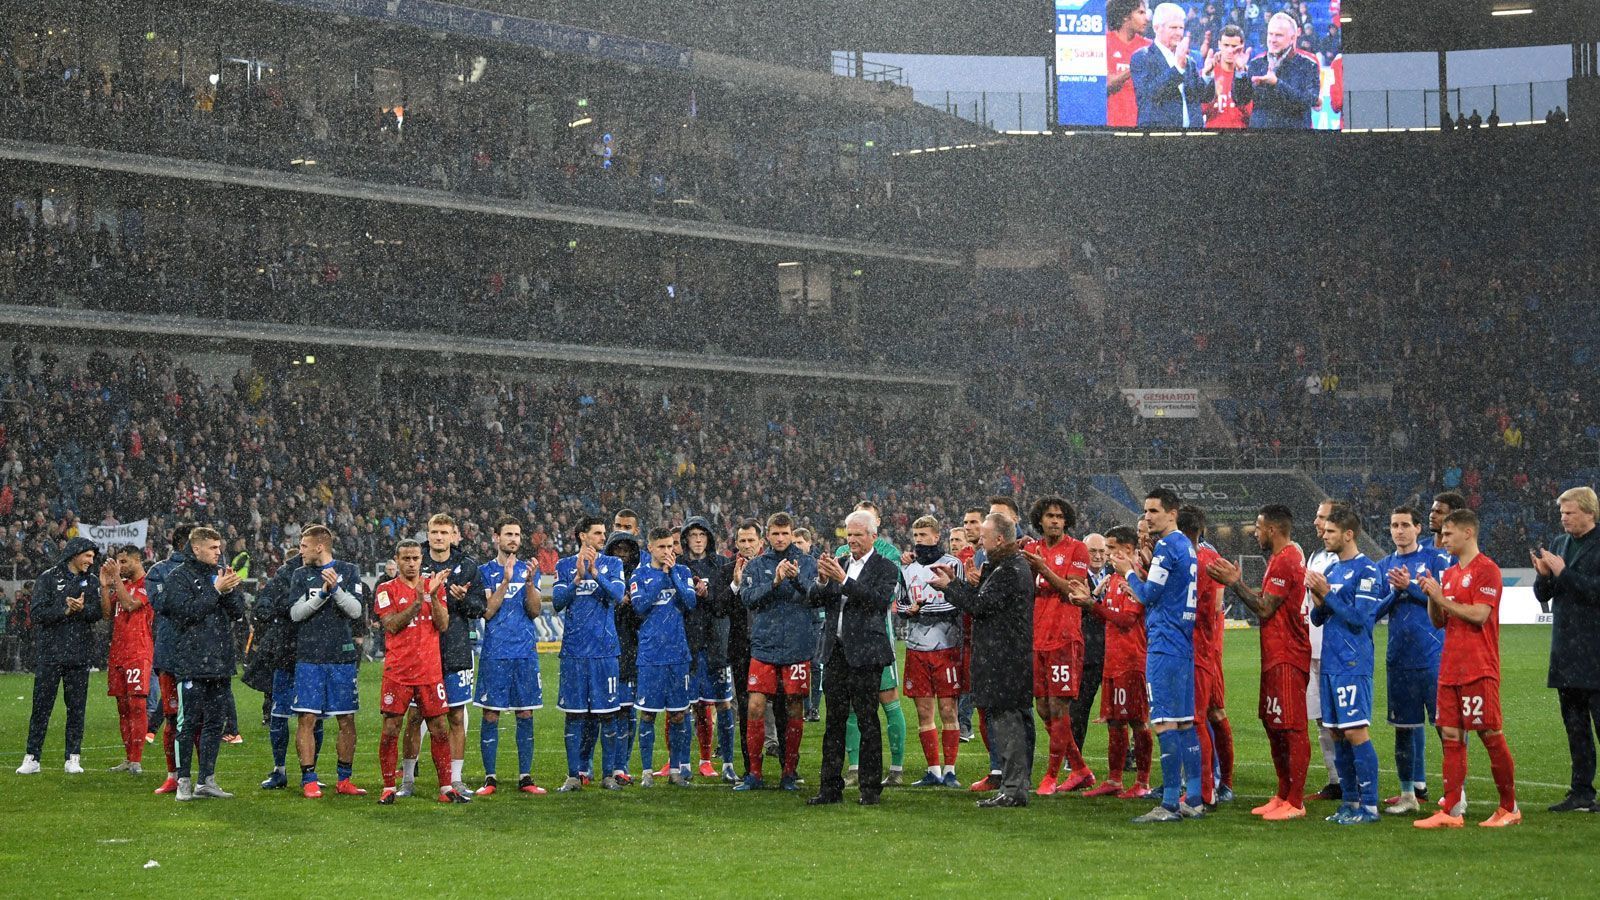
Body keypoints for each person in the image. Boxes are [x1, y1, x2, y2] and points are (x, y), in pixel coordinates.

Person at [1415, 510, 1521, 828]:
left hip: (1478, 666)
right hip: (1450, 667)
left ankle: (1509, 808)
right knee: (1450, 735)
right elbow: (1438, 621)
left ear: (1468, 532)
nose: (1443, 539)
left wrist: (1441, 598)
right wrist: (1432, 596)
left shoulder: (1486, 570)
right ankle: (1450, 812)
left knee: (1489, 733)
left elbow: (1479, 615)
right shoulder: (1448, 574)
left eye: (1448, 534)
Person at [1208, 504, 1310, 819]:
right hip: (1275, 653)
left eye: (1258, 525)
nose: (1255, 532)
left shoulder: (1287, 560)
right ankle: (1282, 793)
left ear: (1272, 529)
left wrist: (1234, 582)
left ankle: (1296, 801)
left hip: (1288, 655)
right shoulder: (1282, 558)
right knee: (1274, 724)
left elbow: (1264, 608)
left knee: (1291, 728)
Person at [931, 513, 1035, 808]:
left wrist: (948, 589)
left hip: (1005, 659)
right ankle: (1018, 785)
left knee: (1008, 723)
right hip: (1009, 656)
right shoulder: (1006, 566)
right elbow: (980, 599)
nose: (981, 541)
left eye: (985, 537)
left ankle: (1014, 789)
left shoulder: (1010, 570)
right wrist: (954, 583)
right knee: (1015, 721)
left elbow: (979, 606)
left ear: (1000, 539)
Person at [1113, 488, 1203, 823]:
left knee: (1164, 722)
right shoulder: (1188, 547)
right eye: (1146, 511)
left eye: (1154, 511)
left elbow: (1150, 594)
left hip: (1164, 643)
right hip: (1182, 642)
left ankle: (1167, 805)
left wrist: (1127, 573)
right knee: (1184, 723)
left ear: (1172, 513)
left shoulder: (1167, 546)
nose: (1148, 516)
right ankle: (1193, 799)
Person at [808, 510, 900, 806]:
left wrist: (843, 579)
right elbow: (814, 598)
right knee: (834, 722)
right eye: (849, 535)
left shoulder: (885, 567)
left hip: (866, 656)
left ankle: (870, 789)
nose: (853, 540)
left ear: (874, 536)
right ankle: (829, 788)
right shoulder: (840, 564)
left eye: (859, 534)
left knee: (867, 720)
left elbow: (878, 601)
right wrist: (822, 581)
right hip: (836, 653)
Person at [1304, 506, 1384, 825]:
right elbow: (1318, 618)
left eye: (1331, 532)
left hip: (1353, 662)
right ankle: (1349, 802)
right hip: (1331, 663)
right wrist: (1318, 597)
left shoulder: (1367, 571)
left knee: (1355, 732)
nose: (1324, 535)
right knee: (1336, 732)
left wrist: (1327, 595)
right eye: (1324, 531)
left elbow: (1362, 620)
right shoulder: (1333, 571)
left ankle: (1370, 806)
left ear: (1348, 534)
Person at [400, 514, 486, 799]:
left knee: (456, 716)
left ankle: (456, 778)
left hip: (456, 649)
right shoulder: (414, 561)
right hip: (421, 650)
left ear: (454, 535)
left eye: (444, 532)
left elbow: (480, 608)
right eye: (434, 532)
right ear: (428, 533)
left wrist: (463, 599)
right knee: (414, 717)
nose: (438, 537)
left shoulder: (467, 566)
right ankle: (408, 780)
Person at [162, 527, 248, 800]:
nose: (218, 552)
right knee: (187, 724)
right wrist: (215, 591)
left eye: (219, 548)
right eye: (213, 548)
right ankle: (183, 781)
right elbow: (186, 613)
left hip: (220, 661)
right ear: (196, 548)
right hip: (191, 662)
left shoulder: (220, 574)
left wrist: (231, 590)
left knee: (214, 723)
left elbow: (236, 613)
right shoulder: (179, 577)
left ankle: (206, 780)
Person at [1372, 506, 1449, 814]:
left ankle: (1455, 793)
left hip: (1433, 657)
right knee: (1403, 729)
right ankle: (1407, 796)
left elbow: (1443, 599)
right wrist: (1394, 593)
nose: (1399, 530)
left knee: (1447, 729)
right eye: (1394, 525)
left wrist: (1411, 588)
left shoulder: (1434, 559)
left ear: (1419, 528)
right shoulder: (1384, 565)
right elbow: (1374, 612)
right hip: (1400, 659)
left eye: (1405, 524)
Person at [736, 512, 818, 792]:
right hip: (764, 645)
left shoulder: (806, 562)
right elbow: (747, 598)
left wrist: (794, 580)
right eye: (775, 533)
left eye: (785, 533)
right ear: (767, 535)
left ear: (792, 533)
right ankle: (755, 774)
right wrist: (774, 583)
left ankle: (789, 773)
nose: (780, 538)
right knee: (755, 705)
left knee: (794, 705)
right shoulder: (757, 565)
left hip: (796, 646)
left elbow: (815, 597)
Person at [373, 540, 460, 804]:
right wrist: (420, 598)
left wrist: (433, 595)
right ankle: (389, 787)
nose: (411, 563)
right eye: (406, 559)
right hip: (398, 672)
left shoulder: (435, 586)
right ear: (396, 560)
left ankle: (446, 788)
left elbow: (443, 624)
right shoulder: (385, 589)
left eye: (415, 559)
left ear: (422, 560)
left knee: (440, 729)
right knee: (391, 728)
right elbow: (391, 625)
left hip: (429, 672)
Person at [1019, 496, 1095, 795]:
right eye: (1049, 516)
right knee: (1042, 708)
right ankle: (1080, 770)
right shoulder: (1031, 549)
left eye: (1060, 517)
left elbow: (1074, 590)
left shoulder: (1077, 549)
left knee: (1058, 707)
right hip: (1037, 639)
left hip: (1064, 638)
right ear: (1040, 519)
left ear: (1067, 521)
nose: (1054, 521)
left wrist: (1044, 570)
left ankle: (1051, 776)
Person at [284, 524, 367, 798]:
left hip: (341, 658)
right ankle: (309, 779)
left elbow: (355, 611)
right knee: (307, 718)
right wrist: (321, 593)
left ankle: (344, 779)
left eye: (304, 546)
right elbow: (295, 615)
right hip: (309, 657)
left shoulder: (349, 570)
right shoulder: (300, 574)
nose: (301, 551)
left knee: (346, 720)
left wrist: (336, 589)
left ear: (320, 546)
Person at [1533, 486, 1600, 812]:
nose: (1563, 519)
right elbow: (1544, 595)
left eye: (1570, 513)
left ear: (1590, 512)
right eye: (1561, 513)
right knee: (1576, 730)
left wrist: (1563, 572)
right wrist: (1544, 577)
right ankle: (1581, 792)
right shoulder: (1559, 545)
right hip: (1566, 652)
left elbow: (1595, 593)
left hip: (1596, 652)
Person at [1075, 526, 1153, 798]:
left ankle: (1142, 783)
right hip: (1113, 661)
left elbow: (1126, 620)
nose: (1106, 555)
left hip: (1133, 662)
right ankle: (1115, 779)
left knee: (1137, 721)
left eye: (1110, 549)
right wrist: (1092, 598)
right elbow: (1106, 617)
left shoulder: (1138, 580)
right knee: (1115, 722)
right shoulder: (1111, 580)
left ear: (1127, 551)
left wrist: (1091, 605)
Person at [551, 515, 626, 791]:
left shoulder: (613, 564)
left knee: (607, 715)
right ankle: (574, 775)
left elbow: (617, 596)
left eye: (603, 533)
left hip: (605, 653)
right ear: (582, 535)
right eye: (597, 533)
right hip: (574, 653)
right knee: (575, 716)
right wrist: (577, 579)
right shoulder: (564, 565)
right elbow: (558, 602)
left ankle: (608, 775)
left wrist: (595, 574)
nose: (602, 538)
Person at [835, 502, 907, 789]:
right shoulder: (842, 555)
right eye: (849, 531)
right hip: (846, 639)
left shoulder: (889, 556)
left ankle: (896, 767)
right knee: (852, 707)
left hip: (877, 636)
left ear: (875, 525)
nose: (852, 538)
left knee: (887, 700)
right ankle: (854, 768)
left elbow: (883, 597)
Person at [17, 537, 101, 776]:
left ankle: (73, 757)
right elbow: (36, 614)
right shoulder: (48, 578)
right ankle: (32, 757)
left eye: (93, 557)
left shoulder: (92, 581)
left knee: (76, 709)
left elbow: (97, 614)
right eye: (88, 556)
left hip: (78, 654)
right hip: (50, 654)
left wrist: (82, 609)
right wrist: (64, 610)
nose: (90, 561)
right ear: (75, 554)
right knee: (41, 707)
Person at [475, 515, 546, 796]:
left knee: (525, 712)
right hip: (495, 653)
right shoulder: (484, 571)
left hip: (525, 653)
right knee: (491, 714)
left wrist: (528, 582)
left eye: (517, 535)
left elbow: (535, 611)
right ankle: (490, 778)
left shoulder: (530, 569)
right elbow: (488, 611)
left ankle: (525, 777)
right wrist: (505, 581)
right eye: (508, 534)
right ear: (496, 537)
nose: (513, 539)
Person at [897, 515, 966, 788]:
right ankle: (933, 770)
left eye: (924, 535)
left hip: (946, 647)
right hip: (915, 649)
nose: (919, 540)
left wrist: (921, 610)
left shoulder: (952, 565)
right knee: (924, 712)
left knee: (948, 710)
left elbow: (958, 603)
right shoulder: (907, 569)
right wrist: (909, 610)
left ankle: (950, 770)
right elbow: (901, 607)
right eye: (916, 535)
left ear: (937, 537)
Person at [248, 551, 324, 789]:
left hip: (315, 654)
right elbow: (263, 605)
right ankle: (279, 770)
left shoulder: (331, 570)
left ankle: (311, 771)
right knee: (279, 714)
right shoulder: (286, 572)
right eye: (303, 544)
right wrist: (283, 607)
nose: (306, 549)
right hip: (286, 654)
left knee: (315, 717)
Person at [630, 527, 698, 787]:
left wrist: (674, 577)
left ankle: (676, 771)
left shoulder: (683, 572)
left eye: (671, 547)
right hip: (650, 655)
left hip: (678, 654)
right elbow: (640, 606)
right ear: (650, 548)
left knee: (679, 714)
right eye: (662, 547)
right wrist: (662, 576)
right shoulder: (640, 574)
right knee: (648, 714)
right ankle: (647, 771)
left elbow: (690, 603)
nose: (668, 552)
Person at [1180, 506, 1234, 808]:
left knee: (1198, 718)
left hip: (1197, 650)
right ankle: (1218, 783)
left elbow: (1212, 608)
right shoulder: (1210, 558)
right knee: (1212, 715)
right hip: (1206, 649)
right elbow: (1216, 607)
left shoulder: (1195, 559)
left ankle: (1206, 788)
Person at [681, 516, 738, 782]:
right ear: (686, 539)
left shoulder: (721, 565)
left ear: (709, 538)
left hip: (717, 646)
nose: (698, 539)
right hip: (688, 646)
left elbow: (725, 604)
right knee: (688, 707)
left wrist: (708, 594)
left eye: (702, 535)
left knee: (724, 704)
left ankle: (727, 762)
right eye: (693, 535)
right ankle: (683, 764)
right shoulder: (679, 566)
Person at [145, 523, 193, 794]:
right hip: (173, 655)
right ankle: (173, 775)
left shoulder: (209, 570)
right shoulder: (159, 571)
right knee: (174, 718)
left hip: (199, 656)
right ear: (186, 543)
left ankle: (202, 777)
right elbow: (161, 604)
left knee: (199, 720)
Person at [101, 544, 153, 775]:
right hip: (118, 653)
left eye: (123, 562)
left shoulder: (147, 584)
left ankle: (136, 760)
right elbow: (105, 615)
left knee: (137, 705)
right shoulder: (125, 586)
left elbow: (130, 605)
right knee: (122, 707)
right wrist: (105, 587)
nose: (120, 567)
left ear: (136, 560)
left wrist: (116, 580)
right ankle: (128, 757)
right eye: (117, 562)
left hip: (138, 652)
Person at [1305, 500, 1343, 803]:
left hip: (1336, 651)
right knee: (1321, 720)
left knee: (1343, 721)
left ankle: (1351, 782)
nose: (1317, 523)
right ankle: (1335, 781)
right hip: (1312, 647)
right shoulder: (1316, 555)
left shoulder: (1345, 562)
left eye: (1323, 518)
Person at [1131, 2, 1215, 128]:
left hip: (1191, 138)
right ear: (1156, 28)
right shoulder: (1142, 57)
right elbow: (1150, 95)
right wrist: (1178, 68)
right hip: (1160, 139)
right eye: (1173, 28)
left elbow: (1204, 98)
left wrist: (1207, 74)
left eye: (1181, 28)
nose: (1179, 33)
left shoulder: (1189, 62)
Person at [606, 529, 645, 783]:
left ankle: (622, 766)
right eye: (617, 550)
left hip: (630, 649)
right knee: (598, 712)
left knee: (628, 711)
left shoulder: (640, 578)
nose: (621, 555)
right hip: (605, 649)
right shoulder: (605, 576)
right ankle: (588, 768)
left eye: (626, 550)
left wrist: (634, 605)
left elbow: (644, 615)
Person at [728, 520, 763, 776]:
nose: (747, 545)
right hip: (741, 649)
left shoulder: (771, 567)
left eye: (752, 540)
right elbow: (719, 607)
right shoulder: (728, 570)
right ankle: (751, 768)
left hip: (770, 647)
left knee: (782, 706)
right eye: (743, 541)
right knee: (744, 707)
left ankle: (788, 769)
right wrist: (736, 585)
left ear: (761, 543)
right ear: (736, 544)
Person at [1246, 12, 1319, 128]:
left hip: (1295, 139)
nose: (1272, 40)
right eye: (1270, 34)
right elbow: (1240, 99)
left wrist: (1277, 83)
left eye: (1279, 35)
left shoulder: (1308, 66)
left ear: (1292, 38)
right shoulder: (1257, 64)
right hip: (1260, 140)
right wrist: (1239, 73)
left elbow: (1309, 101)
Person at [1070, 532, 1108, 754]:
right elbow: (1074, 613)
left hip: (1114, 652)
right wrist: (1093, 596)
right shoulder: (1075, 576)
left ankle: (1125, 758)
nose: (1098, 556)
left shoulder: (1116, 574)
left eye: (1102, 551)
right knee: (1080, 708)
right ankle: (1074, 756)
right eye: (1093, 551)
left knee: (1122, 712)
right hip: (1088, 653)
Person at [1105, 0, 1152, 128]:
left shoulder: (1149, 47)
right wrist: (1134, 67)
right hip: (1111, 125)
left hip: (1143, 125)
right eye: (1140, 13)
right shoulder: (1105, 43)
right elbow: (1106, 84)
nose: (1146, 18)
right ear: (1125, 15)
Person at [1201, 23, 1252, 128]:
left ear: (1242, 47)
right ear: (1219, 44)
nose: (1230, 51)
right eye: (1226, 45)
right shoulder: (1209, 73)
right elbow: (1200, 111)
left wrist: (1240, 70)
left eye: (1234, 46)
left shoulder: (1248, 76)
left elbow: (1250, 113)